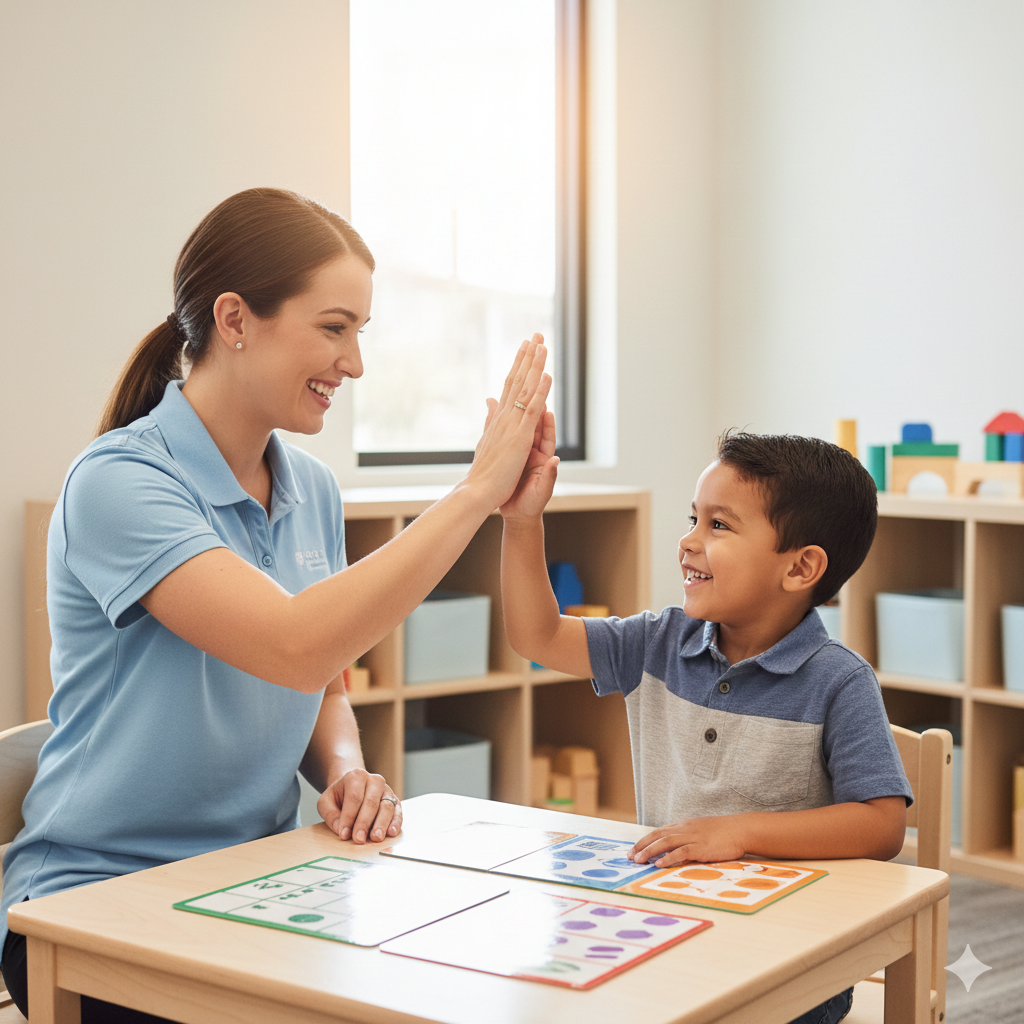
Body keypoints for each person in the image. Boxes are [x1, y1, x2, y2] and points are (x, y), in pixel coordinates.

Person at [1, 187, 551, 1023]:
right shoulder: (119, 482)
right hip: (96, 904)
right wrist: (476, 493)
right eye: (334, 328)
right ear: (234, 319)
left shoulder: (313, 489)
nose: (355, 363)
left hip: (254, 882)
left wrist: (344, 769)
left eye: (360, 333)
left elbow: (320, 680)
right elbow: (291, 644)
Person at [499, 425, 913, 1024]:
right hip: (670, 919)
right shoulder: (658, 641)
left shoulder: (839, 682)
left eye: (718, 526)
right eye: (693, 518)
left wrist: (738, 832)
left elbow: (882, 825)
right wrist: (522, 522)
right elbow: (535, 635)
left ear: (801, 569)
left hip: (797, 956)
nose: (687, 543)